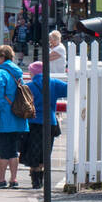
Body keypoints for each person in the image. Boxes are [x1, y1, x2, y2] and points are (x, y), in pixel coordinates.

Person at [0, 44, 30, 189]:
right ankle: (14, 179)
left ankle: (1, 179)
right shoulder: (17, 73)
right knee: (13, 150)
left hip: (4, 117)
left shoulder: (0, 73)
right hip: (17, 117)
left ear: (2, 57)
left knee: (3, 149)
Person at [21, 60, 68, 188]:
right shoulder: (54, 83)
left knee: (33, 151)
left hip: (33, 122)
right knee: (45, 151)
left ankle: (35, 180)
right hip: (50, 122)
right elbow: (69, 89)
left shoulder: (29, 86)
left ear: (33, 73)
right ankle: (40, 178)